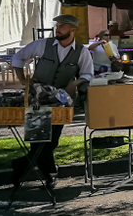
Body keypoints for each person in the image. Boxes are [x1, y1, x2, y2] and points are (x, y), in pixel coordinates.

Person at [9, 14, 93, 193]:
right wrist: (23, 79)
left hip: (61, 101)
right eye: (58, 25)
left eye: (62, 26)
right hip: (37, 99)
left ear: (73, 29)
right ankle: (50, 175)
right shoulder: (43, 44)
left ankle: (21, 165)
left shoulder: (81, 51)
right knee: (38, 139)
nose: (58, 28)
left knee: (52, 141)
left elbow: (88, 73)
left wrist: (74, 84)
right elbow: (18, 58)